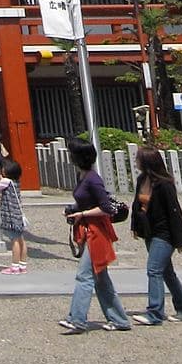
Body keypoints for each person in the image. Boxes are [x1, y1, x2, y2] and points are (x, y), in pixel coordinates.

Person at [58, 139, 132, 332]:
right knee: (100, 278)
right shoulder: (82, 176)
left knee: (85, 275)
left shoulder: (92, 178)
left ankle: (77, 319)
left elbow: (106, 208)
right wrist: (74, 210)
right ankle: (119, 320)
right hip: (87, 229)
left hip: (96, 232)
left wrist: (82, 214)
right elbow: (86, 202)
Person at [129, 147, 182, 324]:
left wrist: (180, 240)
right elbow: (137, 206)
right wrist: (135, 227)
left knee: (154, 270)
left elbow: (174, 212)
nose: (136, 161)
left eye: (138, 159)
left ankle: (155, 313)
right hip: (149, 231)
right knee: (167, 273)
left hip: (164, 233)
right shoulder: (142, 179)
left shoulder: (164, 184)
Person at [0, 153, 30, 273]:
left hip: (10, 216)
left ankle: (14, 266)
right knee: (21, 240)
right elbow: (2, 181)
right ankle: (22, 265)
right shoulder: (15, 182)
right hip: (18, 215)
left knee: (14, 241)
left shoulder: (6, 181)